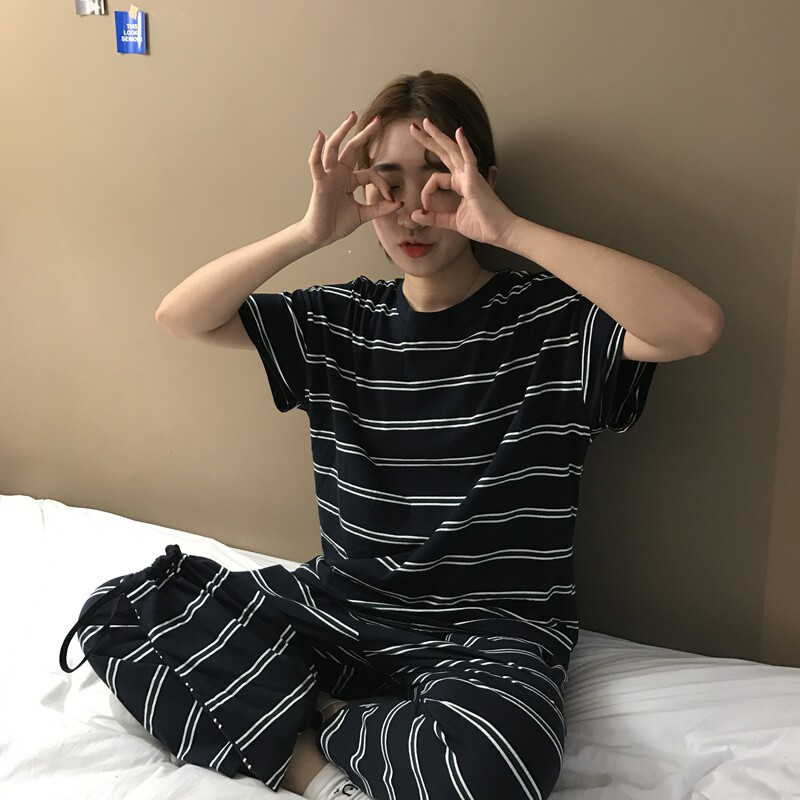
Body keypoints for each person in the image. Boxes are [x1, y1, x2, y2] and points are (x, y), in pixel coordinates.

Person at [60, 70, 724, 800]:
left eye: (439, 179)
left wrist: (508, 229)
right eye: (388, 182)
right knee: (121, 612)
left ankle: (314, 715)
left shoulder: (550, 321)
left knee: (497, 771)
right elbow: (182, 316)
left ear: (482, 181)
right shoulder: (339, 320)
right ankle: (314, 769)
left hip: (489, 632)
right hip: (338, 609)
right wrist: (310, 231)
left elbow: (693, 327)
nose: (413, 210)